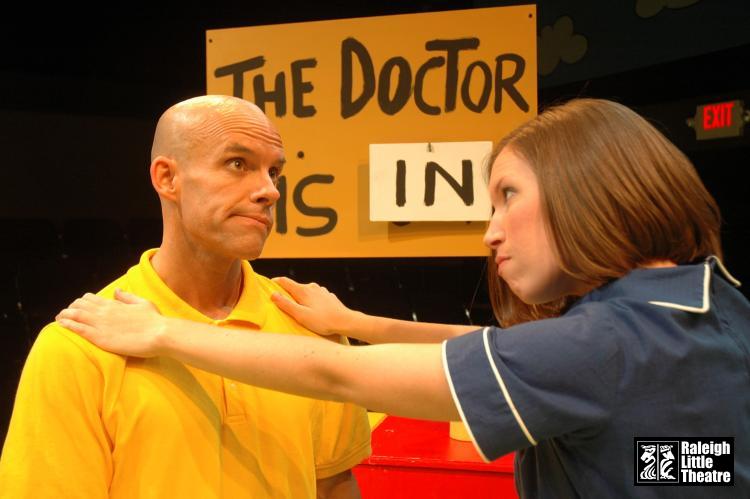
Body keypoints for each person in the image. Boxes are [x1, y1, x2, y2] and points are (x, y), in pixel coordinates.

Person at [55, 98, 749, 498]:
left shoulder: (601, 347)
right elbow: (682, 452)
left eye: (508, 195)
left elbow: (340, 377)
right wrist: (357, 320)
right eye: (238, 164)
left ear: (588, 191)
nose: (491, 231)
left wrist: (163, 334)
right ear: (166, 178)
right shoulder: (710, 305)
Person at [0, 95, 371, 498]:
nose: (269, 191)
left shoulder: (312, 325)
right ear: (167, 178)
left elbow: (333, 484)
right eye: (238, 164)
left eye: (274, 172)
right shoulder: (77, 348)